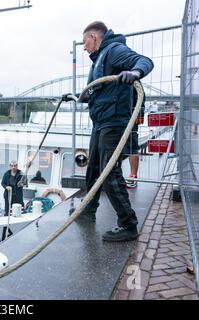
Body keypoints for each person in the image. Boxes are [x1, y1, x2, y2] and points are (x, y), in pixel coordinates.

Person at [62, 21, 154, 242]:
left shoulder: (114, 51)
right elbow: (97, 92)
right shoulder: (99, 61)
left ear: (95, 37)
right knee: (93, 168)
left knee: (109, 171)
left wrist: (134, 72)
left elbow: (145, 62)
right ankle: (88, 210)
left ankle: (128, 224)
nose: (83, 48)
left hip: (114, 122)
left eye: (85, 42)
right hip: (101, 122)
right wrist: (78, 96)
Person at [125, 85, 146, 189]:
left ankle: (133, 177)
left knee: (132, 146)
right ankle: (113, 177)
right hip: (115, 116)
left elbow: (141, 96)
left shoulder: (133, 78)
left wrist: (140, 114)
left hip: (131, 116)